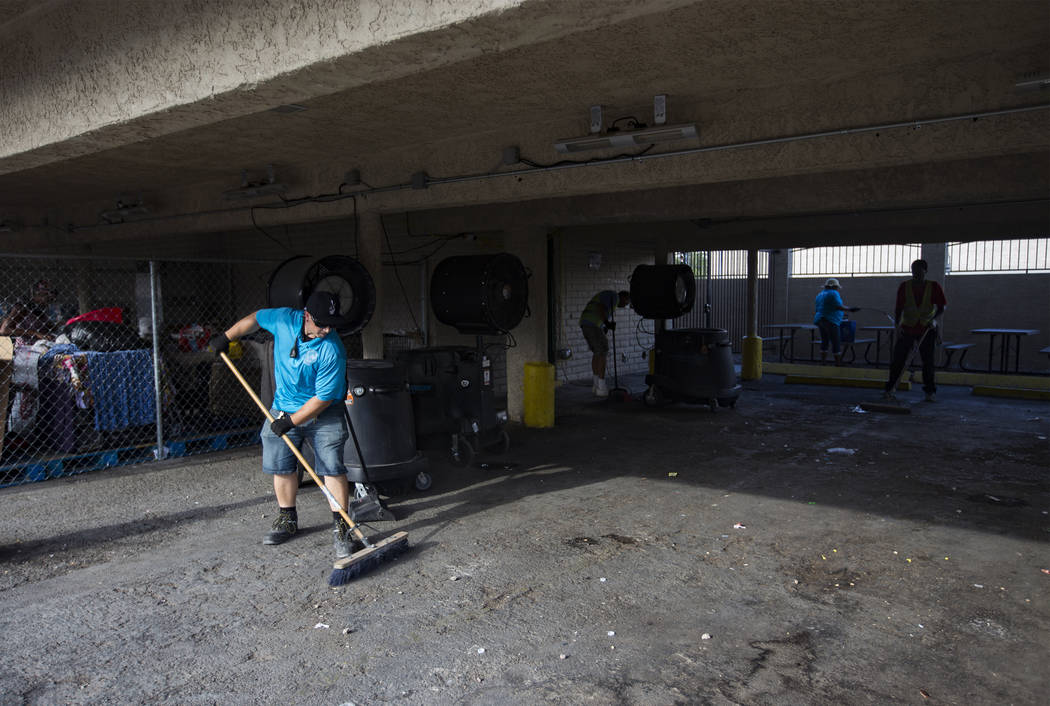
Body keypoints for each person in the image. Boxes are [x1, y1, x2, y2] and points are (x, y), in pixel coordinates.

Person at [210, 290, 355, 558]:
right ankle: (287, 519)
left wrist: (291, 422)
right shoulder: (285, 320)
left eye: (331, 324)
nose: (327, 329)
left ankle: (342, 526)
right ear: (307, 316)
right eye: (321, 323)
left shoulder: (333, 349)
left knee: (332, 466)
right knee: (281, 463)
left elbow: (322, 398)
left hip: (323, 411)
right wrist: (227, 337)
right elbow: (254, 319)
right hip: (283, 406)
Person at [883, 259, 947, 402]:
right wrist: (897, 326)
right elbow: (898, 308)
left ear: (925, 271)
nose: (915, 274)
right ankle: (890, 388)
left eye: (918, 271)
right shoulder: (904, 287)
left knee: (928, 362)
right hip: (907, 329)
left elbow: (942, 307)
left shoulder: (934, 287)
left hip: (926, 329)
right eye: (913, 271)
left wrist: (933, 319)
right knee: (898, 360)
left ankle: (930, 392)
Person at [578, 290, 630, 397]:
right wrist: (607, 323)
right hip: (592, 324)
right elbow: (601, 308)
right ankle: (601, 387)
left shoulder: (610, 297)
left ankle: (596, 385)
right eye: (627, 302)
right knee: (602, 351)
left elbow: (600, 311)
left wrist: (605, 327)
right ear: (624, 298)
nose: (626, 305)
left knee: (597, 353)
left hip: (586, 323)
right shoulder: (614, 297)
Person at [813, 278, 859, 365]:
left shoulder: (820, 294)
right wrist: (850, 309)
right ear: (834, 286)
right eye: (837, 287)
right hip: (830, 320)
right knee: (836, 342)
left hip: (820, 320)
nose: (838, 289)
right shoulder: (833, 293)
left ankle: (823, 363)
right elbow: (838, 306)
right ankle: (838, 363)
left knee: (824, 341)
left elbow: (821, 308)